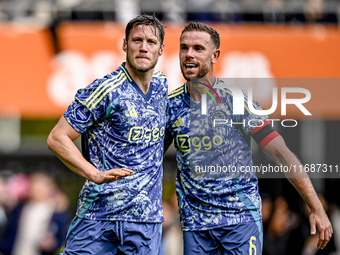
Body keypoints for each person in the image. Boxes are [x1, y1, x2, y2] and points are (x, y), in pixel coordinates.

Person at [164, 22, 333, 254]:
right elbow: (150, 160)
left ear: (215, 55)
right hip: (196, 227)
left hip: (240, 222)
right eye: (184, 48)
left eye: (198, 48)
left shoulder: (236, 101)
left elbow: (281, 154)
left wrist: (316, 207)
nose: (189, 54)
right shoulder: (170, 106)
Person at [47, 14, 167, 255]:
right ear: (125, 45)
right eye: (137, 40)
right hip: (98, 217)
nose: (143, 47)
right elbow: (57, 138)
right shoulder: (105, 89)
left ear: (161, 49)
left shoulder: (162, 86)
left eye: (151, 42)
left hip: (145, 221)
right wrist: (94, 173)